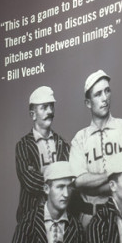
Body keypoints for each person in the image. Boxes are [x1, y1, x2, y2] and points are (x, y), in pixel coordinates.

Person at [68, 70, 122, 223]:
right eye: (98, 94)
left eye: (107, 91)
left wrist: (91, 186)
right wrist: (114, 175)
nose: (104, 98)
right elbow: (79, 182)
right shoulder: (80, 139)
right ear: (88, 103)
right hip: (89, 217)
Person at [15, 85, 70, 221]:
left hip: (59, 216)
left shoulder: (62, 143)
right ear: (33, 114)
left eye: (51, 106)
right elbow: (29, 180)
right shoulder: (23, 145)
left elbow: (68, 177)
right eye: (44, 107)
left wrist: (46, 177)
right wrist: (56, 183)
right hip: (31, 217)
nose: (50, 111)